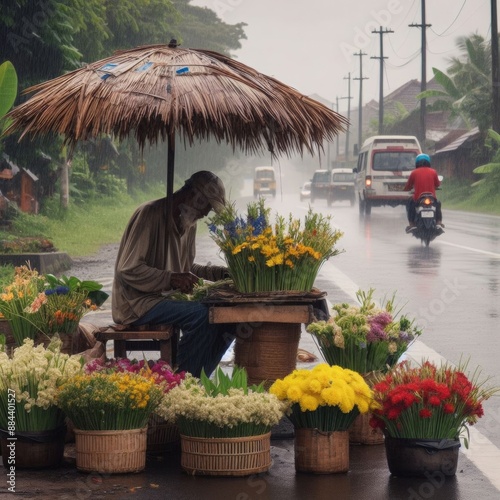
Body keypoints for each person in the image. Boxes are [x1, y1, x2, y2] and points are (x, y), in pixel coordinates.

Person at [111, 171, 235, 377]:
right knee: (202, 316)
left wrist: (220, 274)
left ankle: (194, 377)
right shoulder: (149, 214)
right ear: (194, 196)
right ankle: (179, 381)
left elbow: (185, 267)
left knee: (228, 318)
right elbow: (128, 270)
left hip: (166, 299)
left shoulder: (189, 224)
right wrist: (171, 278)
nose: (206, 214)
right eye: (206, 206)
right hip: (137, 303)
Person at [404, 153, 444, 233]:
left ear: (417, 163)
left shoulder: (414, 173)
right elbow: (437, 184)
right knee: (438, 204)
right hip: (431, 197)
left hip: (418, 198)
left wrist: (406, 188)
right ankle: (439, 222)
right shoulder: (433, 172)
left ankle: (412, 223)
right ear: (428, 162)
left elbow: (408, 185)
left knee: (410, 204)